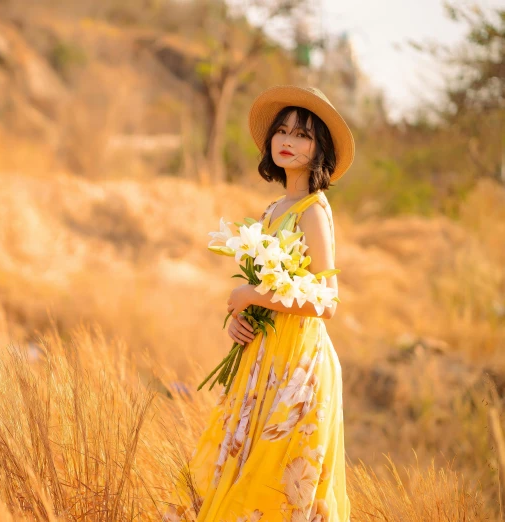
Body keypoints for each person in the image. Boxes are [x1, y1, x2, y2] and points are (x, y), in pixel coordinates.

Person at [164, 86, 354, 522]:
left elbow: (327, 303)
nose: (289, 140)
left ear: (319, 147)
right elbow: (270, 288)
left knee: (274, 481)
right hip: (263, 359)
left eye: (303, 135)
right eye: (282, 131)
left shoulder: (312, 210)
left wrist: (249, 294)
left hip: (298, 365)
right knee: (237, 468)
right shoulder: (274, 209)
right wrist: (240, 317)